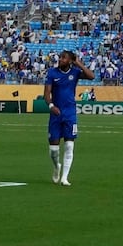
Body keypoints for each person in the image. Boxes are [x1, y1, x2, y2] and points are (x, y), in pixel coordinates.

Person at [44, 49, 90, 186]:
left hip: (70, 114)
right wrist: (51, 106)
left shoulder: (75, 72)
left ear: (70, 61)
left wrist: (78, 63)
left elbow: (91, 76)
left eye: (64, 58)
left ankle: (64, 178)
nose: (60, 59)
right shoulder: (52, 73)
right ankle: (56, 166)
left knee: (69, 145)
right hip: (56, 114)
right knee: (53, 149)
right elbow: (46, 93)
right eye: (60, 57)